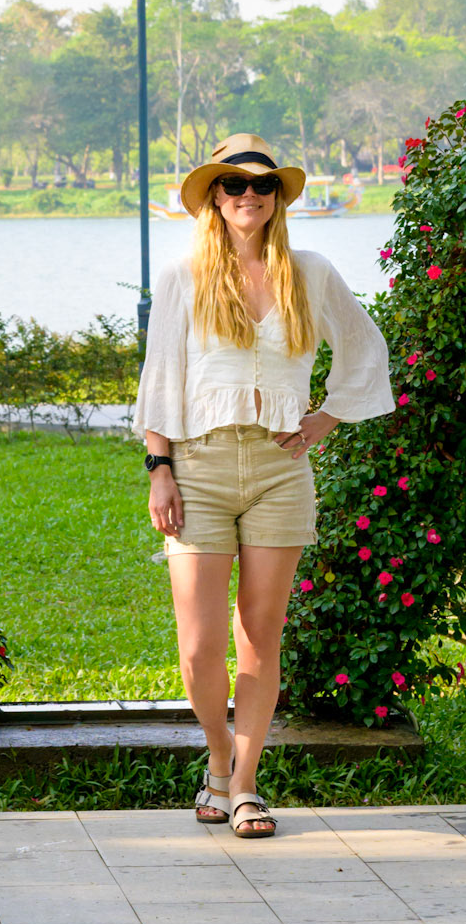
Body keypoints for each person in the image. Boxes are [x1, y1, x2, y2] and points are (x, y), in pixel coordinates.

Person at [135, 137, 393, 838]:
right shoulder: (184, 276)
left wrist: (327, 417)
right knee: (199, 645)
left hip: (281, 470)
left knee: (260, 633)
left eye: (263, 185)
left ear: (278, 198)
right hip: (200, 467)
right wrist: (161, 470)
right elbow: (160, 378)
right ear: (214, 199)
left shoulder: (310, 272)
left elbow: (365, 347)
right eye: (233, 185)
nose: (248, 195)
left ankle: (244, 784)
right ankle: (218, 758)